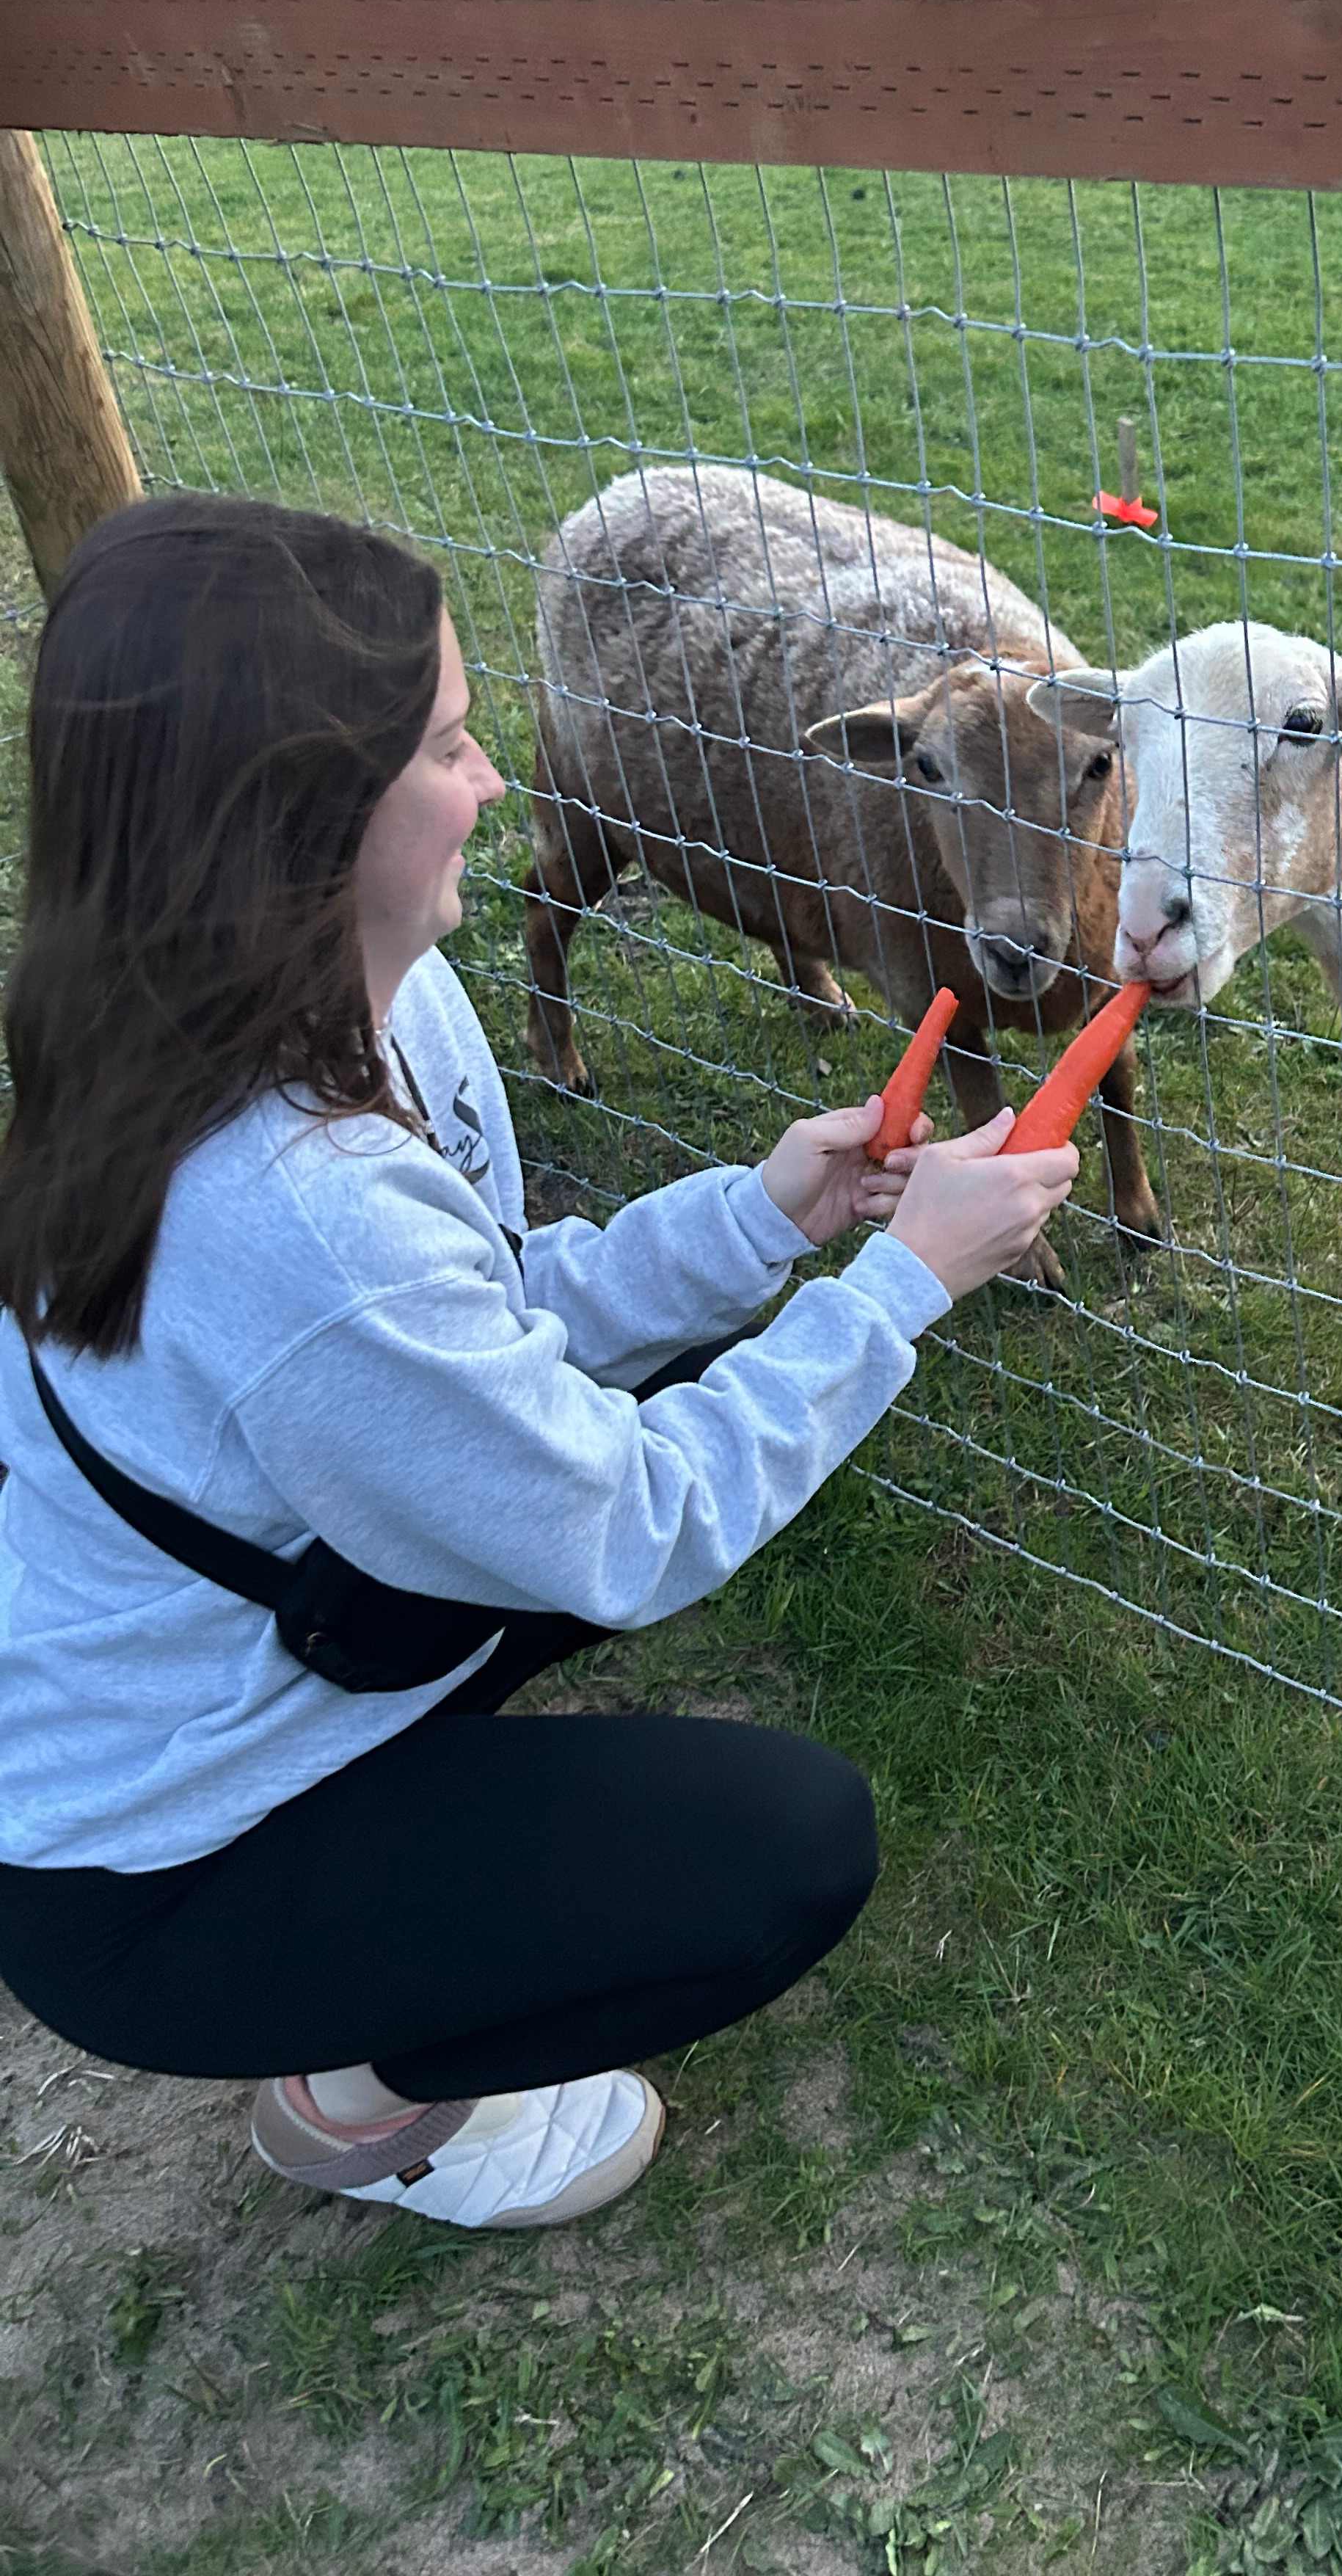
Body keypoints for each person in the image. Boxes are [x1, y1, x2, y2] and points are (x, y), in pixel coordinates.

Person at [0, 494, 1079, 2232]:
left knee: (608, 1421)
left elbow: (484, 1322)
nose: (503, 781)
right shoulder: (292, 1207)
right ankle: (364, 2101)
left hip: (286, 1625)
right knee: (781, 1849)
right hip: (146, 1868)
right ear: (306, 815)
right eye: (449, 745)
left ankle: (385, 1892)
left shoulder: (321, 1003)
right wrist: (907, 1281)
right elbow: (631, 1525)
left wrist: (763, 1218)